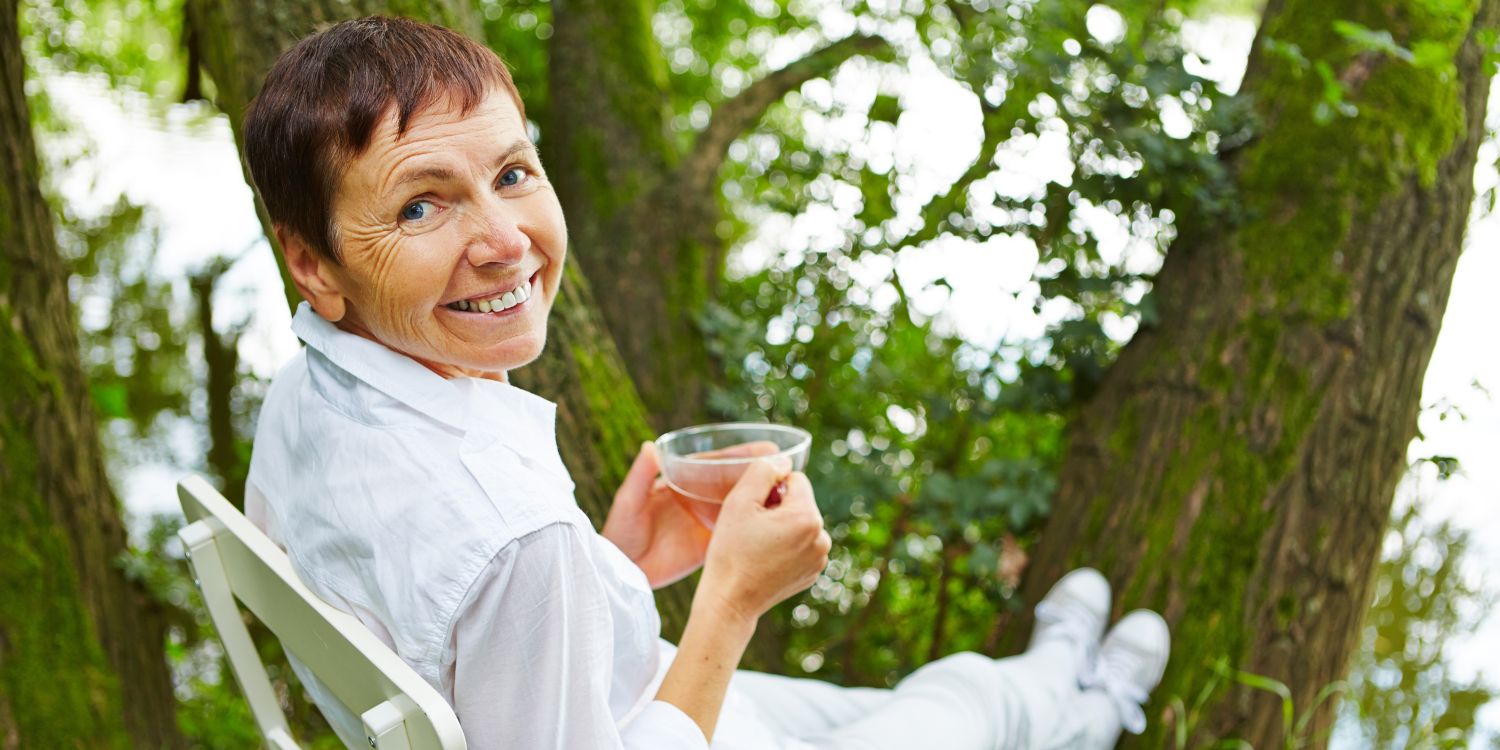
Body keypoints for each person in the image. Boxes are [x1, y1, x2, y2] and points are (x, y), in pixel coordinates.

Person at [240, 16, 1171, 750]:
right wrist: (730, 598)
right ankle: (1093, 703)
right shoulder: (517, 543)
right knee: (973, 699)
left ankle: (1063, 684)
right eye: (420, 203)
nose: (506, 240)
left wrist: (616, 565)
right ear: (314, 262)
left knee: (875, 710)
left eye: (514, 171)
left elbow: (457, 630)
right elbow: (498, 566)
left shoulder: (305, 398)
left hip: (613, 693)